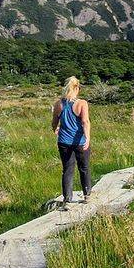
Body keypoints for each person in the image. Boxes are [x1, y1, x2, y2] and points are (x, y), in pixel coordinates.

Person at [51, 75, 91, 209]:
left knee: (67, 169)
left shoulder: (59, 104)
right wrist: (87, 138)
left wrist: (55, 129)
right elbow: (85, 121)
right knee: (83, 168)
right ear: (77, 88)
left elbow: (54, 121)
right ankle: (87, 195)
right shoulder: (82, 103)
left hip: (63, 142)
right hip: (79, 141)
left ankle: (67, 200)